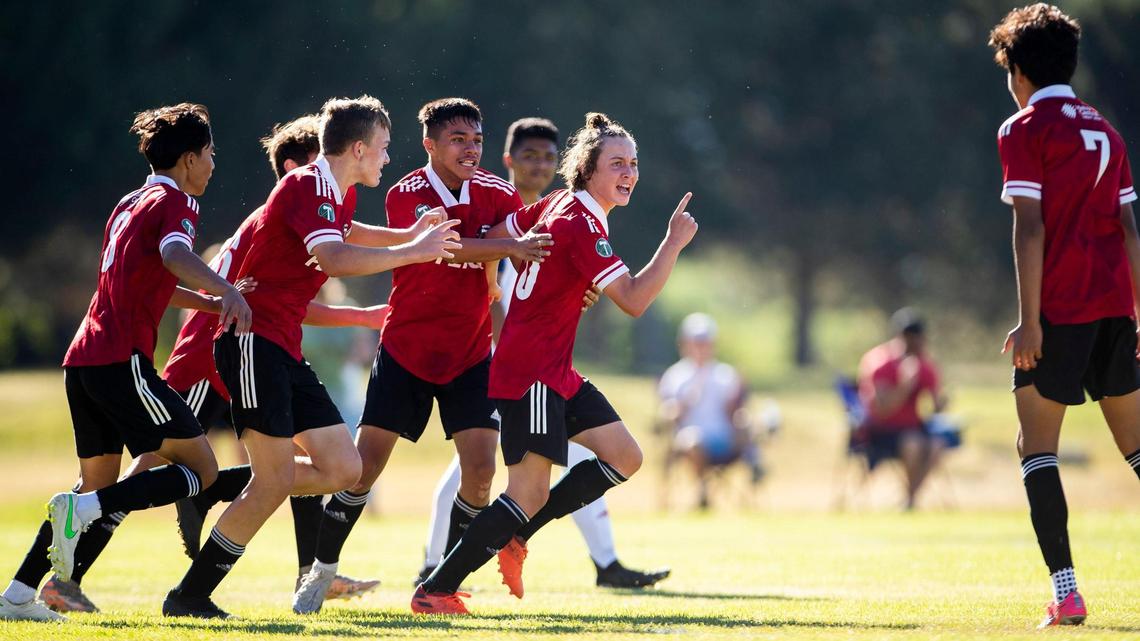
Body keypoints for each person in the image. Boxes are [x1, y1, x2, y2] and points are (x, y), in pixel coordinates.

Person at [33, 114, 428, 614]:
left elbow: (319, 264)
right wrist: (413, 249)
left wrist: (403, 249)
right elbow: (293, 270)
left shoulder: (323, 206)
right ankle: (63, 577)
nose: (387, 158)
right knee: (167, 469)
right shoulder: (299, 194)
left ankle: (298, 565)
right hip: (209, 356)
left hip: (268, 346)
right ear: (310, 162)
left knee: (320, 468)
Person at [162, 95, 462, 619]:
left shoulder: (335, 194)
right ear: (359, 148)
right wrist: (416, 250)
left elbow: (350, 234)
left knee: (346, 467)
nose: (388, 160)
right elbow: (333, 256)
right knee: (275, 479)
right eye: (385, 149)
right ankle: (189, 595)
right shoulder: (305, 184)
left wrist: (413, 235)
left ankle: (214, 487)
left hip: (282, 348)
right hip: (251, 342)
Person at [412, 112, 698, 615]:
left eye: (633, 163)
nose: (628, 173)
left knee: (625, 456)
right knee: (527, 493)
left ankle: (515, 536)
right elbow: (632, 299)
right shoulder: (580, 219)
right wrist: (672, 242)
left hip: (553, 370)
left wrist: (535, 271)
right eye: (617, 164)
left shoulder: (560, 203)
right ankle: (436, 588)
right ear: (587, 169)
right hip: (531, 374)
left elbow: (503, 230)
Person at [292, 98, 556, 615]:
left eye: (477, 140)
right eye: (458, 139)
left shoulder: (498, 192)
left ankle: (439, 583)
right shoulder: (405, 192)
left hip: (471, 354)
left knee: (480, 473)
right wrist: (509, 248)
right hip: (406, 351)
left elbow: (511, 245)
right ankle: (319, 573)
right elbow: (446, 246)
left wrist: (550, 273)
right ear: (429, 145)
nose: (470, 149)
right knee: (362, 472)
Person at [0, 104, 253, 622]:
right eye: (209, 155)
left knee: (94, 484)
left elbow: (153, 279)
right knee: (201, 470)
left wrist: (213, 302)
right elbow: (174, 256)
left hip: (84, 359)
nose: (212, 165)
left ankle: (17, 596)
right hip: (121, 361)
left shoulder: (130, 200)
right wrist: (226, 287)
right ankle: (82, 514)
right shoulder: (177, 200)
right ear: (188, 159)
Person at [989, 4, 1140, 628]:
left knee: (1036, 448)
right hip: (1114, 313)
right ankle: (1067, 589)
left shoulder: (1023, 128)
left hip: (1059, 313)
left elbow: (1030, 227)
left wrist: (1030, 321)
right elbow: (1130, 231)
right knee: (1137, 450)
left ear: (1017, 70)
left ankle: (1068, 591)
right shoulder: (1105, 129)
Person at [659, 313, 756, 509]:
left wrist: (740, 413)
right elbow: (666, 414)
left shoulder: (726, 374)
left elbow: (736, 414)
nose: (701, 347)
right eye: (696, 341)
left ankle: (755, 466)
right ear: (685, 343)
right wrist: (683, 404)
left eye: (705, 342)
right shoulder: (675, 375)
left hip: (722, 440)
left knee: (751, 427)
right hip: (688, 441)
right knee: (691, 440)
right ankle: (703, 491)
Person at [855, 308, 948, 510]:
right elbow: (882, 409)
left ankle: (910, 499)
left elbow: (935, 406)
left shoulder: (923, 363)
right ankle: (910, 501)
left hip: (913, 428)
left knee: (937, 445)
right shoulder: (880, 362)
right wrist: (905, 385)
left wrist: (940, 402)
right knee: (913, 443)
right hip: (880, 431)